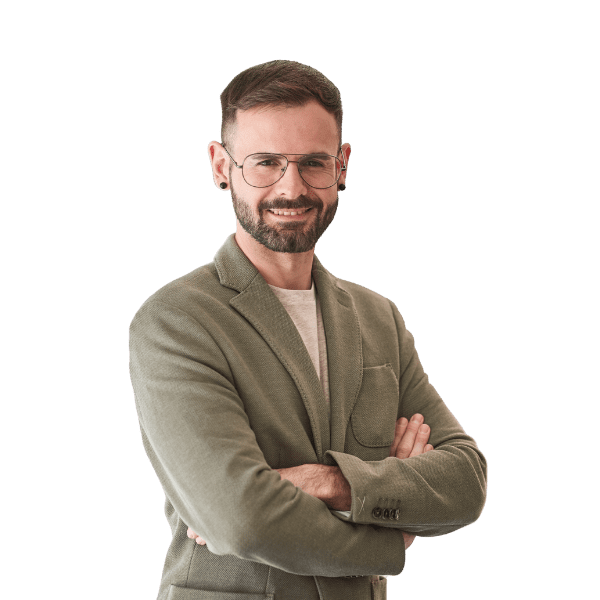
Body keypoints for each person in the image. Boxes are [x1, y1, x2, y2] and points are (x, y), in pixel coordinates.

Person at [128, 59, 488, 600]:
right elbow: (241, 519)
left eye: (313, 163)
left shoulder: (378, 317)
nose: (291, 188)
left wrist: (329, 482)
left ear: (342, 166)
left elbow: (464, 482)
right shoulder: (176, 321)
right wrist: (391, 532)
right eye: (266, 163)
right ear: (221, 166)